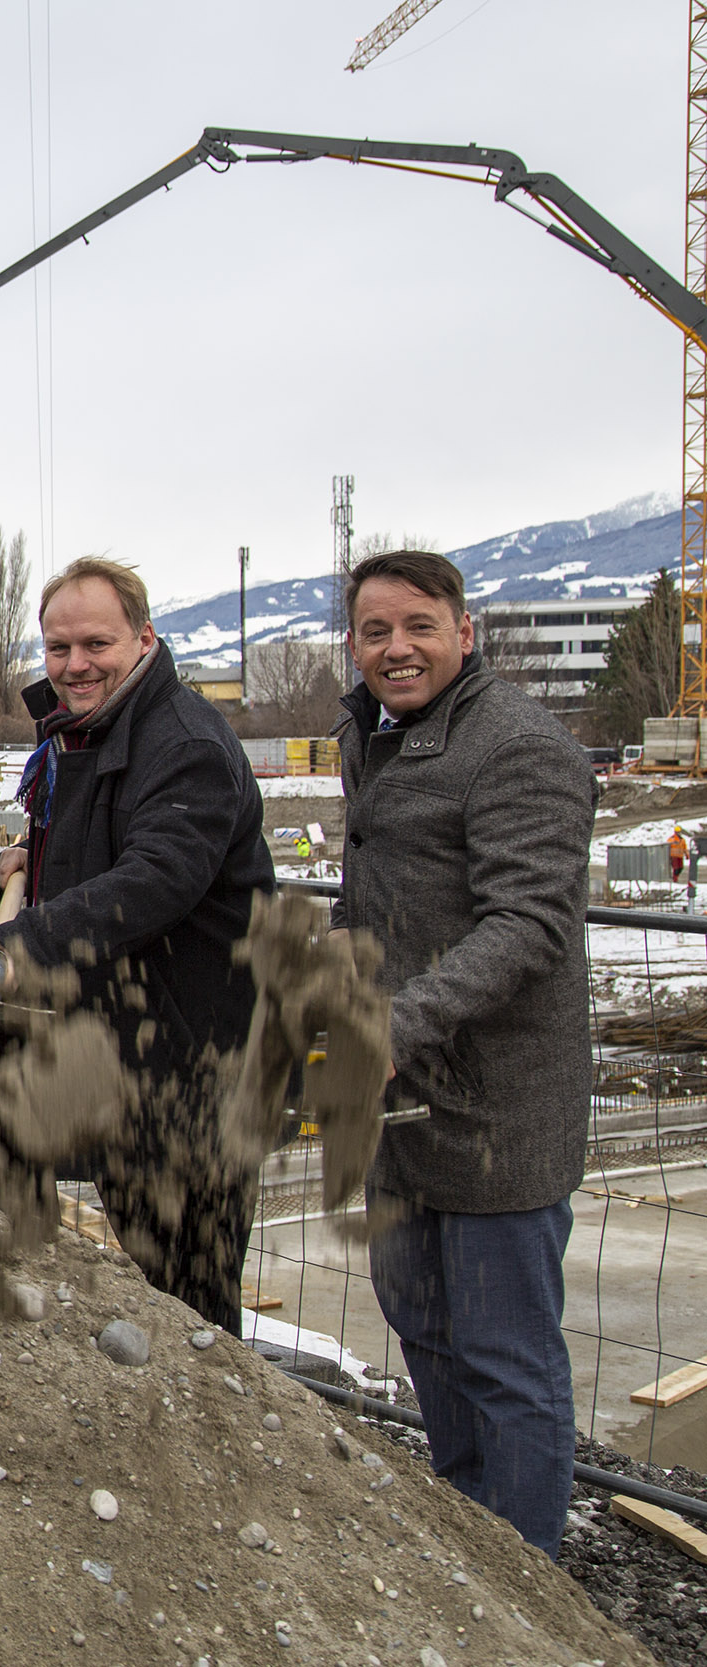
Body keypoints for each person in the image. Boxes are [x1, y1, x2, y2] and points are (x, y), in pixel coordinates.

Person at [334, 548, 594, 1558]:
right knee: (425, 1330)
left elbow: (528, 923)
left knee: (505, 1356)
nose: (395, 648)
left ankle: (523, 1575)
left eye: (417, 626)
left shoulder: (519, 747)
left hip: (497, 1110)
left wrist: (399, 1021)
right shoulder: (376, 733)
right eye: (373, 630)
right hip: (401, 1105)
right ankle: (469, 1531)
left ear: (464, 629)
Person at [0, 556, 274, 1332]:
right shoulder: (88, 732)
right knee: (153, 1283)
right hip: (131, 1063)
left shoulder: (184, 744)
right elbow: (95, 850)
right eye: (58, 648)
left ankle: (215, 1446)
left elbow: (152, 881)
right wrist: (30, 863)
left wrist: (30, 936)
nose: (75, 665)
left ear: (144, 638)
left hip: (197, 1073)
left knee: (195, 1307)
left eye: (95, 645)